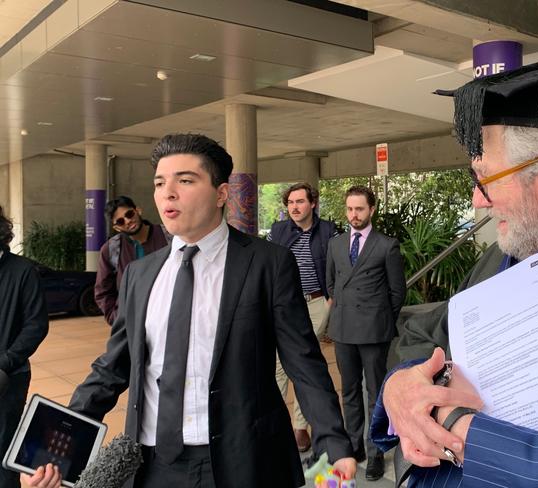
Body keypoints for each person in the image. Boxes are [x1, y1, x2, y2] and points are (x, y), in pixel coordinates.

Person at [369, 50, 538, 487]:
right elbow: (424, 334)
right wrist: (402, 386)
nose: (477, 200)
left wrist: (462, 431)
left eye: (485, 177)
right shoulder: (504, 257)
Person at [23, 133, 354, 488]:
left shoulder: (267, 264)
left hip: (244, 460)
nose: (168, 192)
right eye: (160, 183)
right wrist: (53, 451)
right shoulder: (140, 274)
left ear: (221, 194)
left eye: (185, 180)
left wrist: (334, 444)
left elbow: (302, 362)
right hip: (155, 464)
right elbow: (112, 368)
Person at [326, 186, 406, 481]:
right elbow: (331, 284)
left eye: (359, 209)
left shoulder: (387, 245)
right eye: (349, 209)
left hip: (374, 330)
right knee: (348, 391)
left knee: (375, 393)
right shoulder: (336, 244)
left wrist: (381, 319)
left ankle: (375, 453)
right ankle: (354, 446)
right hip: (344, 328)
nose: (353, 215)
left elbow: (398, 292)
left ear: (371, 210)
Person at [268, 182, 338, 453]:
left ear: (312, 204)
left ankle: (300, 427)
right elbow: (269, 264)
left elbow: (334, 266)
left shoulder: (328, 231)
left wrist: (331, 300)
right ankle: (276, 424)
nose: (295, 207)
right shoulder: (279, 231)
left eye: (300, 202)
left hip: (317, 302)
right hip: (284, 303)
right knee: (277, 366)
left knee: (304, 363)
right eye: (291, 203)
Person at [0, 206, 49, 488]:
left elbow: (36, 325)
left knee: (3, 449)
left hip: (9, 377)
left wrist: (6, 362)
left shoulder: (23, 271)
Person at [94, 196, 170, 325]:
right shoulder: (111, 249)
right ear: (116, 228)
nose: (128, 221)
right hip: (132, 324)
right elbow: (103, 291)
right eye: (120, 221)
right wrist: (117, 318)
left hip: (168, 319)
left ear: (138, 211)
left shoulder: (168, 236)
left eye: (129, 214)